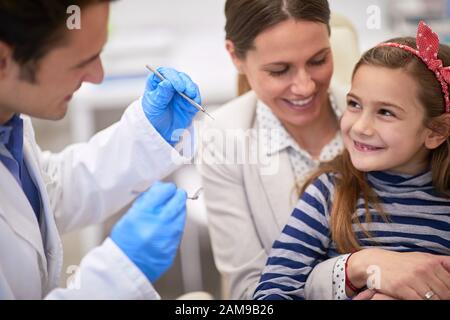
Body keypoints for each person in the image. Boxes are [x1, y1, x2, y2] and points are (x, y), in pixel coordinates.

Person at [0, 0, 201, 299]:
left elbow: (44, 190)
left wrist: (147, 136)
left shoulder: (9, 123)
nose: (98, 75)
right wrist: (119, 272)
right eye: (82, 62)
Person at [253, 21, 450, 300]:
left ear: (436, 131)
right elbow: (272, 291)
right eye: (354, 104)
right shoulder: (329, 192)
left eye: (385, 112)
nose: (360, 127)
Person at [199, 0, 351, 299]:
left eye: (318, 60)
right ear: (236, 56)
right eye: (280, 71)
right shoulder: (223, 141)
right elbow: (248, 292)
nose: (305, 86)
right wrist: (350, 271)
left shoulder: (378, 118)